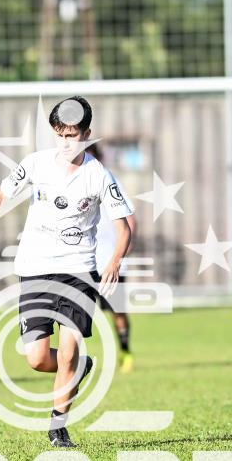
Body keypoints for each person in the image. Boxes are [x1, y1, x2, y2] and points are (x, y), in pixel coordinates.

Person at [0, 96, 134, 447]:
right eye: (60, 135)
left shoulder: (98, 175)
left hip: (79, 272)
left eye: (73, 136)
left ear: (87, 134)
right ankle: (79, 367)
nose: (66, 143)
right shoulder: (36, 164)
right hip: (34, 269)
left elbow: (124, 228)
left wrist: (114, 261)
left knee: (67, 351)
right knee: (36, 358)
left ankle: (58, 427)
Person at [89, 144, 137, 372]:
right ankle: (71, 360)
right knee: (75, 314)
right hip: (82, 262)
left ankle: (125, 351)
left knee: (117, 311)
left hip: (109, 262)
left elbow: (130, 219)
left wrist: (121, 253)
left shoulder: (110, 181)